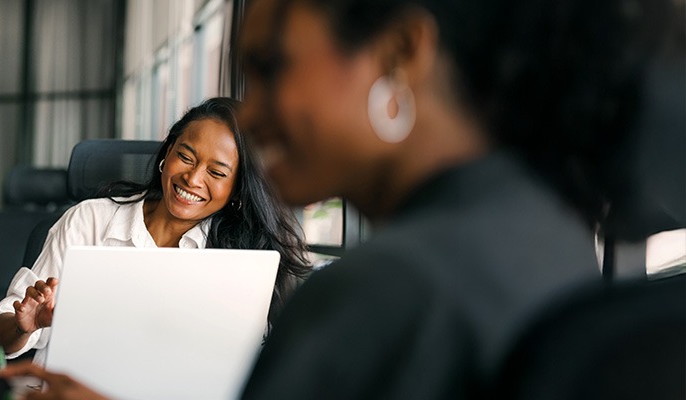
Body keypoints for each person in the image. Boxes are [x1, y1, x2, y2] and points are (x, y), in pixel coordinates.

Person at [234, 0, 673, 397]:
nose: (247, 113)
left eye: (269, 68)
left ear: (400, 54)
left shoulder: (387, 291)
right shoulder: (554, 237)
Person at [0, 97, 313, 360]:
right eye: (186, 157)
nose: (193, 179)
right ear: (167, 153)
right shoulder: (89, 221)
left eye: (216, 172)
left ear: (238, 189)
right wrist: (26, 326)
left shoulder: (241, 259)